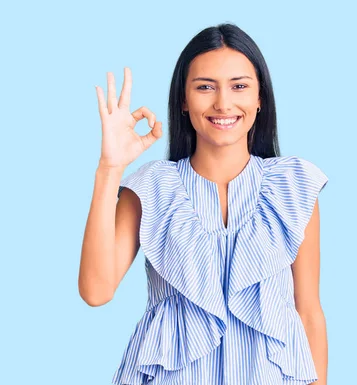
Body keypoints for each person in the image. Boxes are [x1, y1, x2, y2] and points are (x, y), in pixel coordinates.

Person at [78, 23, 329, 385]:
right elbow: (96, 291)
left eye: (239, 86)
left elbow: (308, 312)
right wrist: (110, 169)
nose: (223, 103)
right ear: (183, 99)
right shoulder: (151, 188)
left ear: (261, 98)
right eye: (205, 87)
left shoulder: (292, 185)